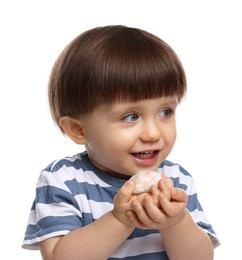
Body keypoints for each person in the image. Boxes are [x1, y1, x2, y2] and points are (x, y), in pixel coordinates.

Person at [22, 25, 220, 259]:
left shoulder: (176, 180)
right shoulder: (63, 180)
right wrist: (119, 220)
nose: (153, 133)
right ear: (78, 129)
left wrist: (176, 222)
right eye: (131, 117)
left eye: (165, 112)